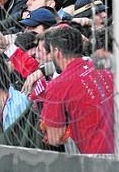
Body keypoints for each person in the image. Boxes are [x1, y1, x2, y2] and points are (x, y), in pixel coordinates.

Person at [40, 25, 114, 154]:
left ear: (57, 52)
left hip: (103, 162)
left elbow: (54, 138)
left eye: (50, 51)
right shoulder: (103, 67)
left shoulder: (57, 85)